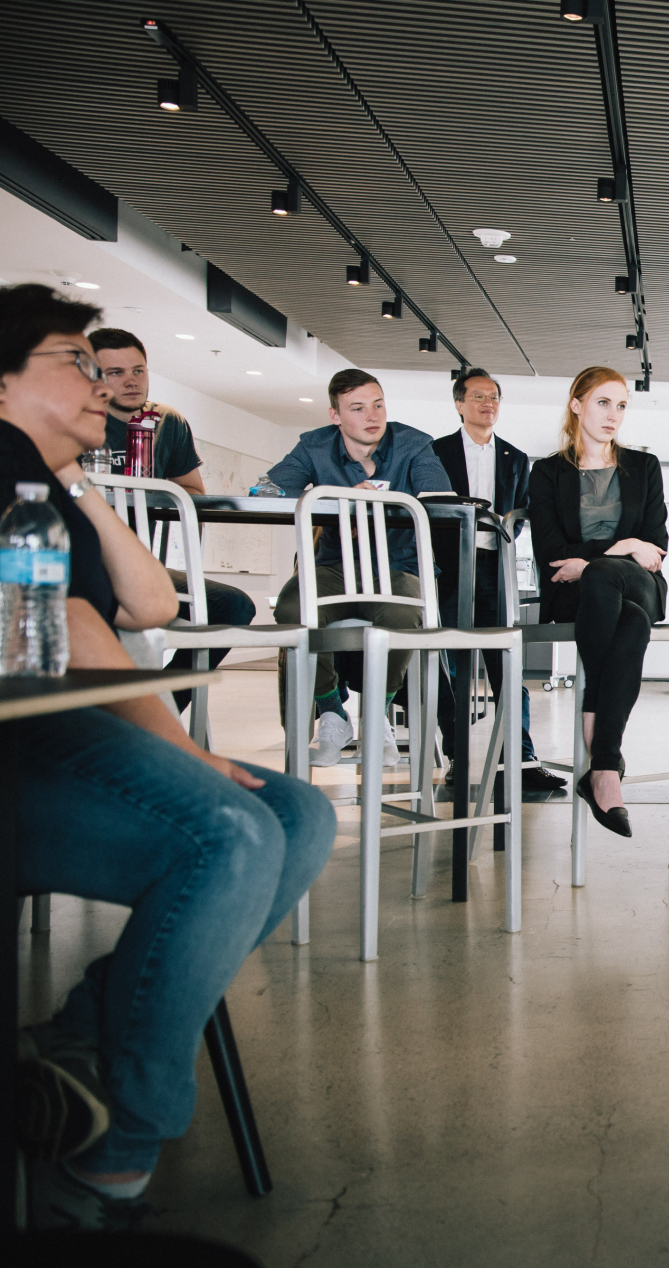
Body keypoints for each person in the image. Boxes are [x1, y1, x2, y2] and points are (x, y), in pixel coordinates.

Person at [0, 283, 334, 1231]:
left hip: (59, 728)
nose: (101, 376)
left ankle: (75, 1042)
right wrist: (183, 750)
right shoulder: (0, 466)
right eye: (73, 358)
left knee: (300, 815)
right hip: (25, 745)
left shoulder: (45, 482)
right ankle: (117, 1146)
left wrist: (81, 486)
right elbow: (64, 623)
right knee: (229, 833)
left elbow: (147, 607)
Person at [268, 368, 452, 766]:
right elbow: (267, 491)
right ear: (335, 416)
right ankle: (332, 712)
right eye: (357, 408)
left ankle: (376, 712)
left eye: (378, 405)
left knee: (405, 613)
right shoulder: (314, 446)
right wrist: (334, 500)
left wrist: (375, 508)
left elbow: (441, 499)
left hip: (398, 567)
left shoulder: (414, 444)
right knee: (290, 611)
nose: (373, 416)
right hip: (333, 567)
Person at [526, 365, 666, 837]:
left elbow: (654, 544)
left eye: (621, 405)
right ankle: (604, 768)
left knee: (611, 578)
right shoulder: (546, 473)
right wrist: (620, 547)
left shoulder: (644, 467)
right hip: (577, 596)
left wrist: (599, 558)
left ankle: (595, 732)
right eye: (603, 402)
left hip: (639, 584)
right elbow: (548, 553)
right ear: (576, 404)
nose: (613, 415)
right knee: (629, 622)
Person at [89, 327, 258, 711]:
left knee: (233, 607)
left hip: (142, 566)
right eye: (115, 372)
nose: (131, 380)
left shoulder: (166, 422)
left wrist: (159, 493)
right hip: (83, 563)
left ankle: (165, 709)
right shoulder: (79, 422)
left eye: (138, 369)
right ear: (93, 379)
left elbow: (193, 494)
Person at [431, 369, 565, 798]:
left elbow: (522, 514)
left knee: (507, 666)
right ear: (459, 405)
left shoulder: (515, 457)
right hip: (448, 569)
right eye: (477, 397)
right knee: (451, 669)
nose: (487, 404)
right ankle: (458, 758)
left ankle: (521, 758)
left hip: (495, 566)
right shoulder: (435, 452)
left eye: (493, 397)